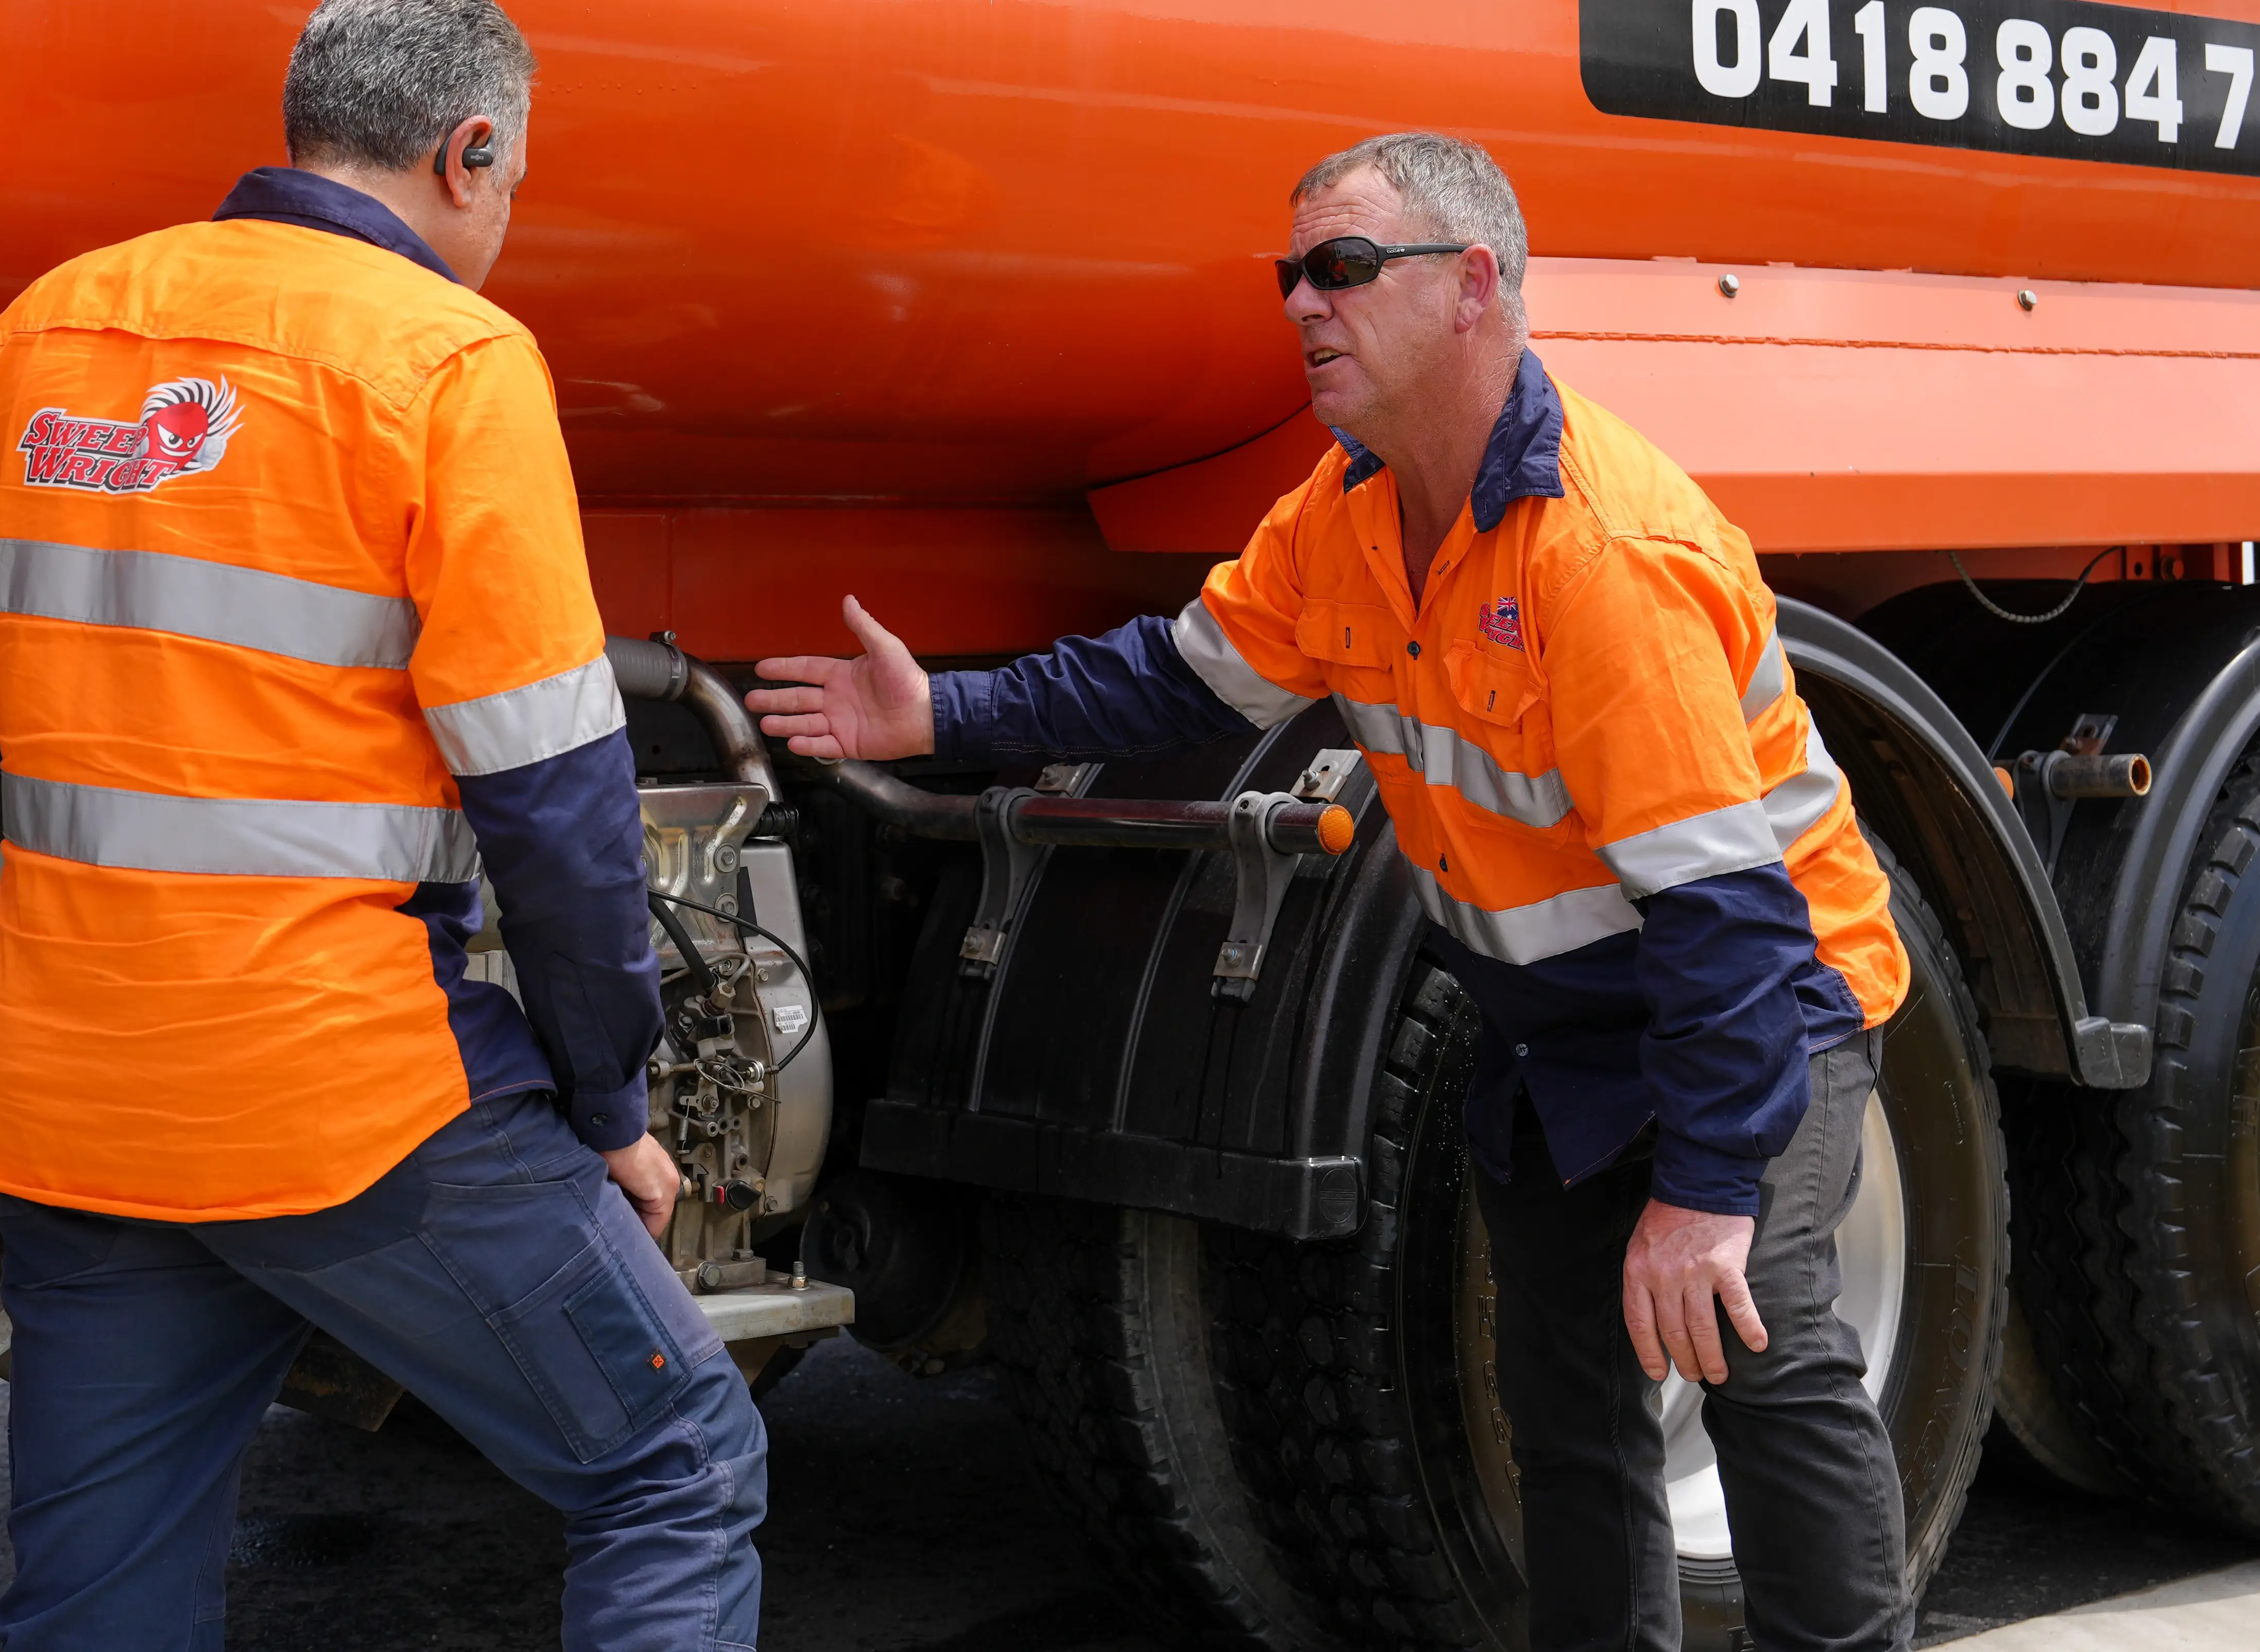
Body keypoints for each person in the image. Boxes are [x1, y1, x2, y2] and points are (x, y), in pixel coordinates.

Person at [750, 131, 1912, 1652]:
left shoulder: (1603, 556)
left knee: (1760, 1358)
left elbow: (1730, 918)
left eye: (1345, 268)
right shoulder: (1345, 517)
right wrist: (941, 719)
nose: (1302, 302)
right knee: (1567, 1408)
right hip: (1565, 1032)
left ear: (1472, 286)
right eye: (1291, 273)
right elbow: (1170, 679)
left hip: (1765, 1000)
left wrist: (1702, 1196)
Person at [0, 0, 765, 1652]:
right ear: (471, 152)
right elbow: (555, 797)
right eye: (515, 181)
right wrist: (611, 1101)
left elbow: (2, 714)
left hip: (78, 1089)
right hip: (341, 1095)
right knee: (675, 1461)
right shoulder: (450, 359)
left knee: (103, 1602)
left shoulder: (43, 331)